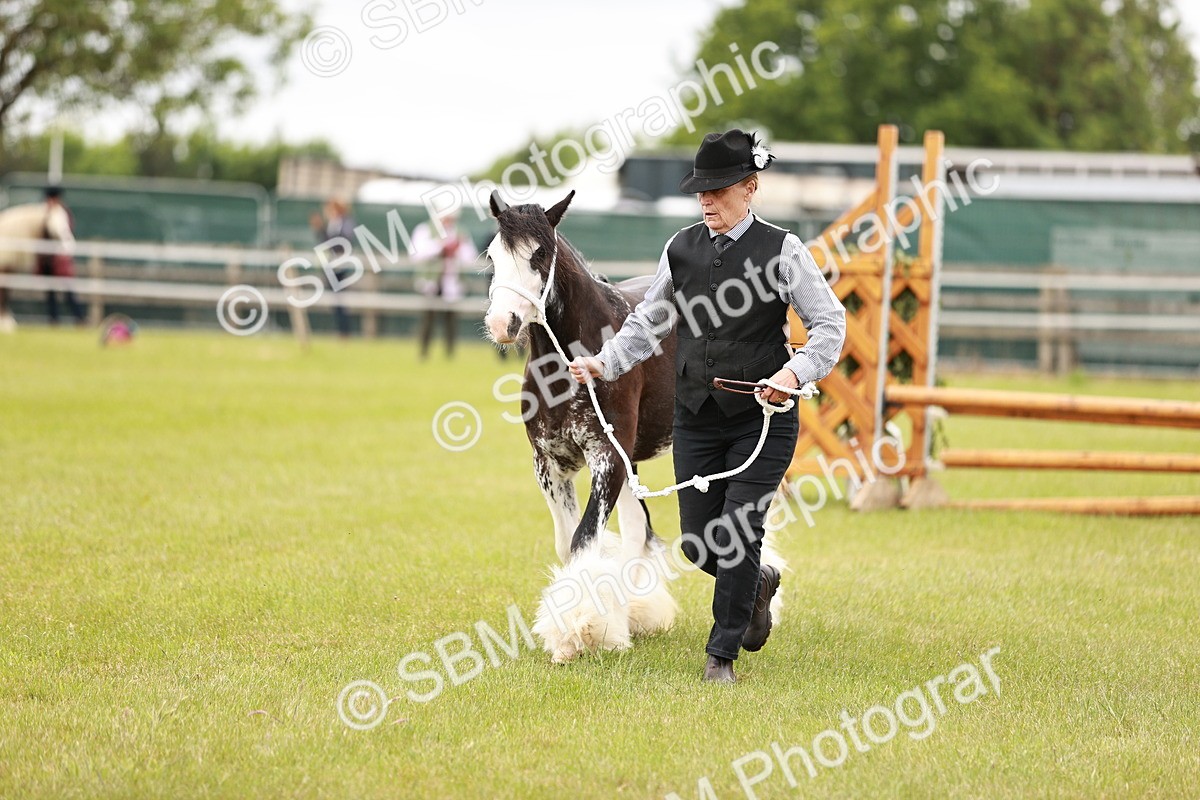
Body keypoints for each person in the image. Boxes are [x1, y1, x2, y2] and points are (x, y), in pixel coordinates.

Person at [568, 129, 847, 684]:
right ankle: (756, 581)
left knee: (738, 533)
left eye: (718, 190)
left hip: (761, 422)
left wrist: (792, 374)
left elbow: (830, 326)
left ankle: (721, 656)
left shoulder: (783, 250)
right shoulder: (681, 248)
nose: (706, 200)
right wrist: (606, 362)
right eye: (701, 190)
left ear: (750, 188)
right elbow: (647, 320)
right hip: (695, 418)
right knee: (700, 543)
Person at [412, 210, 477, 359]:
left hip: (452, 282)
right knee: (429, 319)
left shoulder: (460, 232)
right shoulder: (425, 229)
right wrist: (440, 246)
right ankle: (423, 352)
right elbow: (416, 253)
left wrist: (457, 248)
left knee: (451, 320)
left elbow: (470, 257)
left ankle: (449, 353)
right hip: (432, 282)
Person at [37, 186, 85, 325]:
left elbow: (64, 236)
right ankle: (54, 319)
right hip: (48, 258)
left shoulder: (59, 214)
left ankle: (79, 318)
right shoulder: (47, 213)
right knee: (51, 292)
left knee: (67, 291)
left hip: (59, 257)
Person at [309, 198, 356, 337]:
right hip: (331, 265)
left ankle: (344, 332)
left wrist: (322, 229)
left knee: (340, 300)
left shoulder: (346, 223)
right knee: (336, 301)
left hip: (341, 266)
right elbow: (326, 242)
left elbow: (340, 243)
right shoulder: (333, 223)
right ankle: (341, 331)